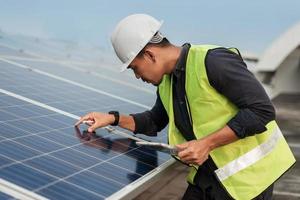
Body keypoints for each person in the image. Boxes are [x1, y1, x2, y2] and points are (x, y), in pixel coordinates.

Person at [75, 14, 295, 200]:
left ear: (150, 54)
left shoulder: (213, 61)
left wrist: (206, 145)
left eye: (135, 68)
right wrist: (112, 118)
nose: (137, 76)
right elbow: (154, 121)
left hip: (250, 180)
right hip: (210, 175)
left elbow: (261, 110)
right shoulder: (167, 83)